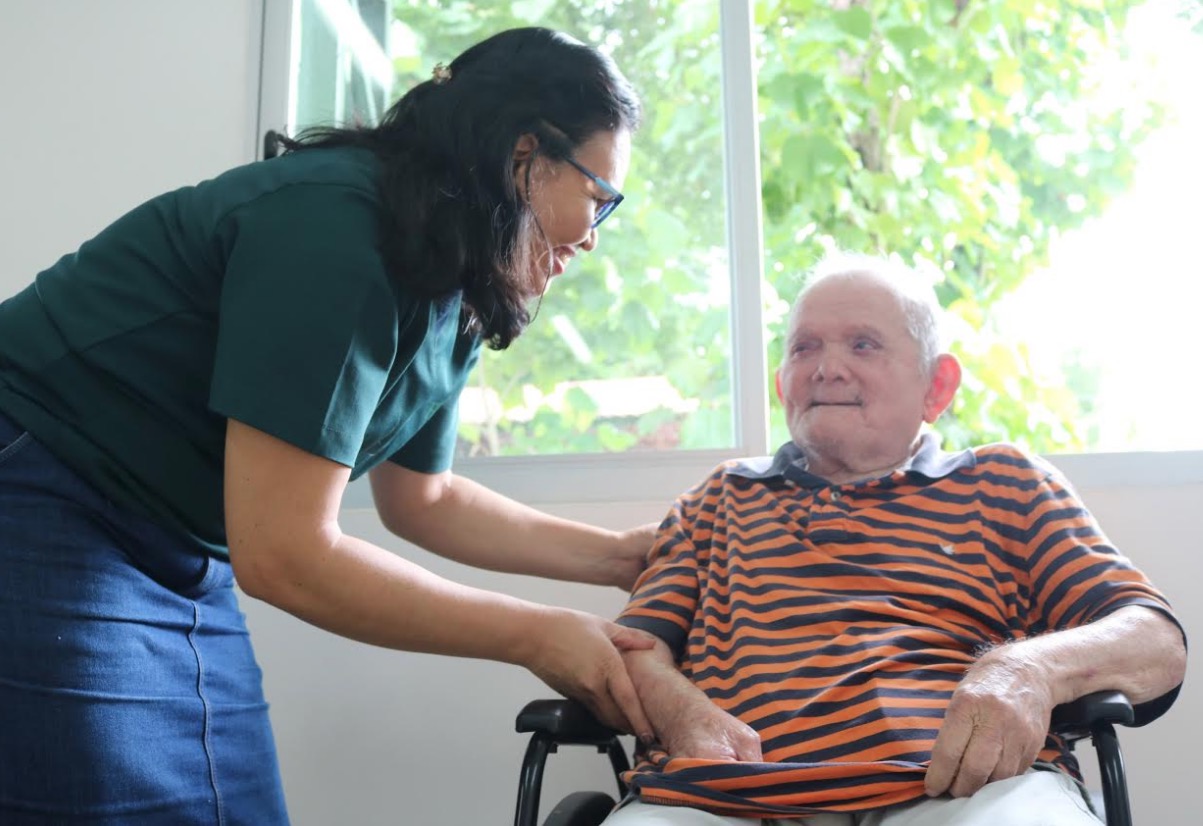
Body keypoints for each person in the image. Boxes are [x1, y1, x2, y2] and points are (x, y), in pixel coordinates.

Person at [0, 27, 660, 825]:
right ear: (526, 155)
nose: (592, 236)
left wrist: (621, 558)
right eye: (598, 199)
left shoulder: (452, 277)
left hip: (175, 543)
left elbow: (424, 500)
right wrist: (537, 636)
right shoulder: (338, 225)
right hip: (42, 488)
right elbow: (283, 554)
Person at [604, 254, 1187, 825]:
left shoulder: (1004, 482)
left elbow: (1155, 642)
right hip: (731, 796)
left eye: (863, 344)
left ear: (937, 386)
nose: (826, 368)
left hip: (965, 788)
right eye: (804, 347)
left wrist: (1027, 670)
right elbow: (633, 649)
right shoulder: (718, 499)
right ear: (782, 383)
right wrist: (683, 714)